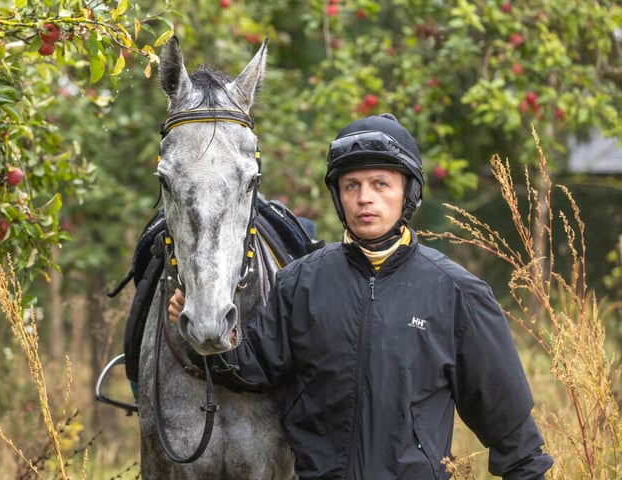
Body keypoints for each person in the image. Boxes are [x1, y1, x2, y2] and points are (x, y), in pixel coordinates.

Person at [168, 113, 553, 479]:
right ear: (339, 196)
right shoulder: (300, 282)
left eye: (380, 184)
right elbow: (253, 366)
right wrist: (206, 334)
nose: (364, 198)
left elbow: (509, 424)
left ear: (409, 193)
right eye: (352, 185)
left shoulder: (457, 293)